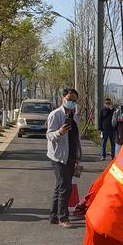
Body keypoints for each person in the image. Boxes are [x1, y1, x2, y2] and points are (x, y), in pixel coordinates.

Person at [47, 88, 82, 228]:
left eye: (74, 101)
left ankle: (54, 216)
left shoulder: (74, 115)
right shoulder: (55, 115)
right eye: (69, 99)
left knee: (60, 186)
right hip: (58, 157)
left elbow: (76, 138)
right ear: (63, 98)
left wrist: (79, 155)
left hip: (71, 156)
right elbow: (49, 136)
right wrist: (59, 132)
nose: (71, 102)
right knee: (65, 187)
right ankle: (63, 217)